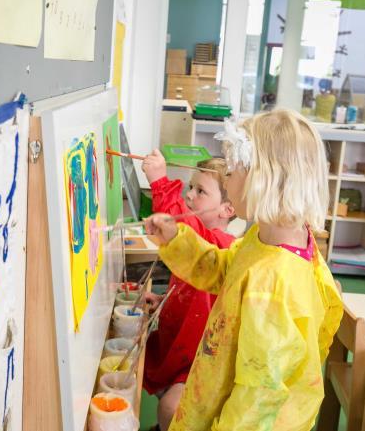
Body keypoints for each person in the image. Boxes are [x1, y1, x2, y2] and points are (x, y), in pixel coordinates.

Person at [145, 110, 343, 431]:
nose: (227, 178)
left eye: (233, 171)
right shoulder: (267, 237)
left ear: (264, 180)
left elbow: (256, 405)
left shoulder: (275, 286)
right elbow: (225, 270)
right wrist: (177, 240)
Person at [141, 151, 235, 431]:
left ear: (227, 210)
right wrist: (162, 302)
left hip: (199, 359)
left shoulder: (221, 244)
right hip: (178, 343)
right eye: (190, 187)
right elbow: (193, 293)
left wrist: (159, 182)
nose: (190, 195)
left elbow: (185, 228)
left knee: (170, 408)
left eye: (201, 191)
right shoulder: (201, 240)